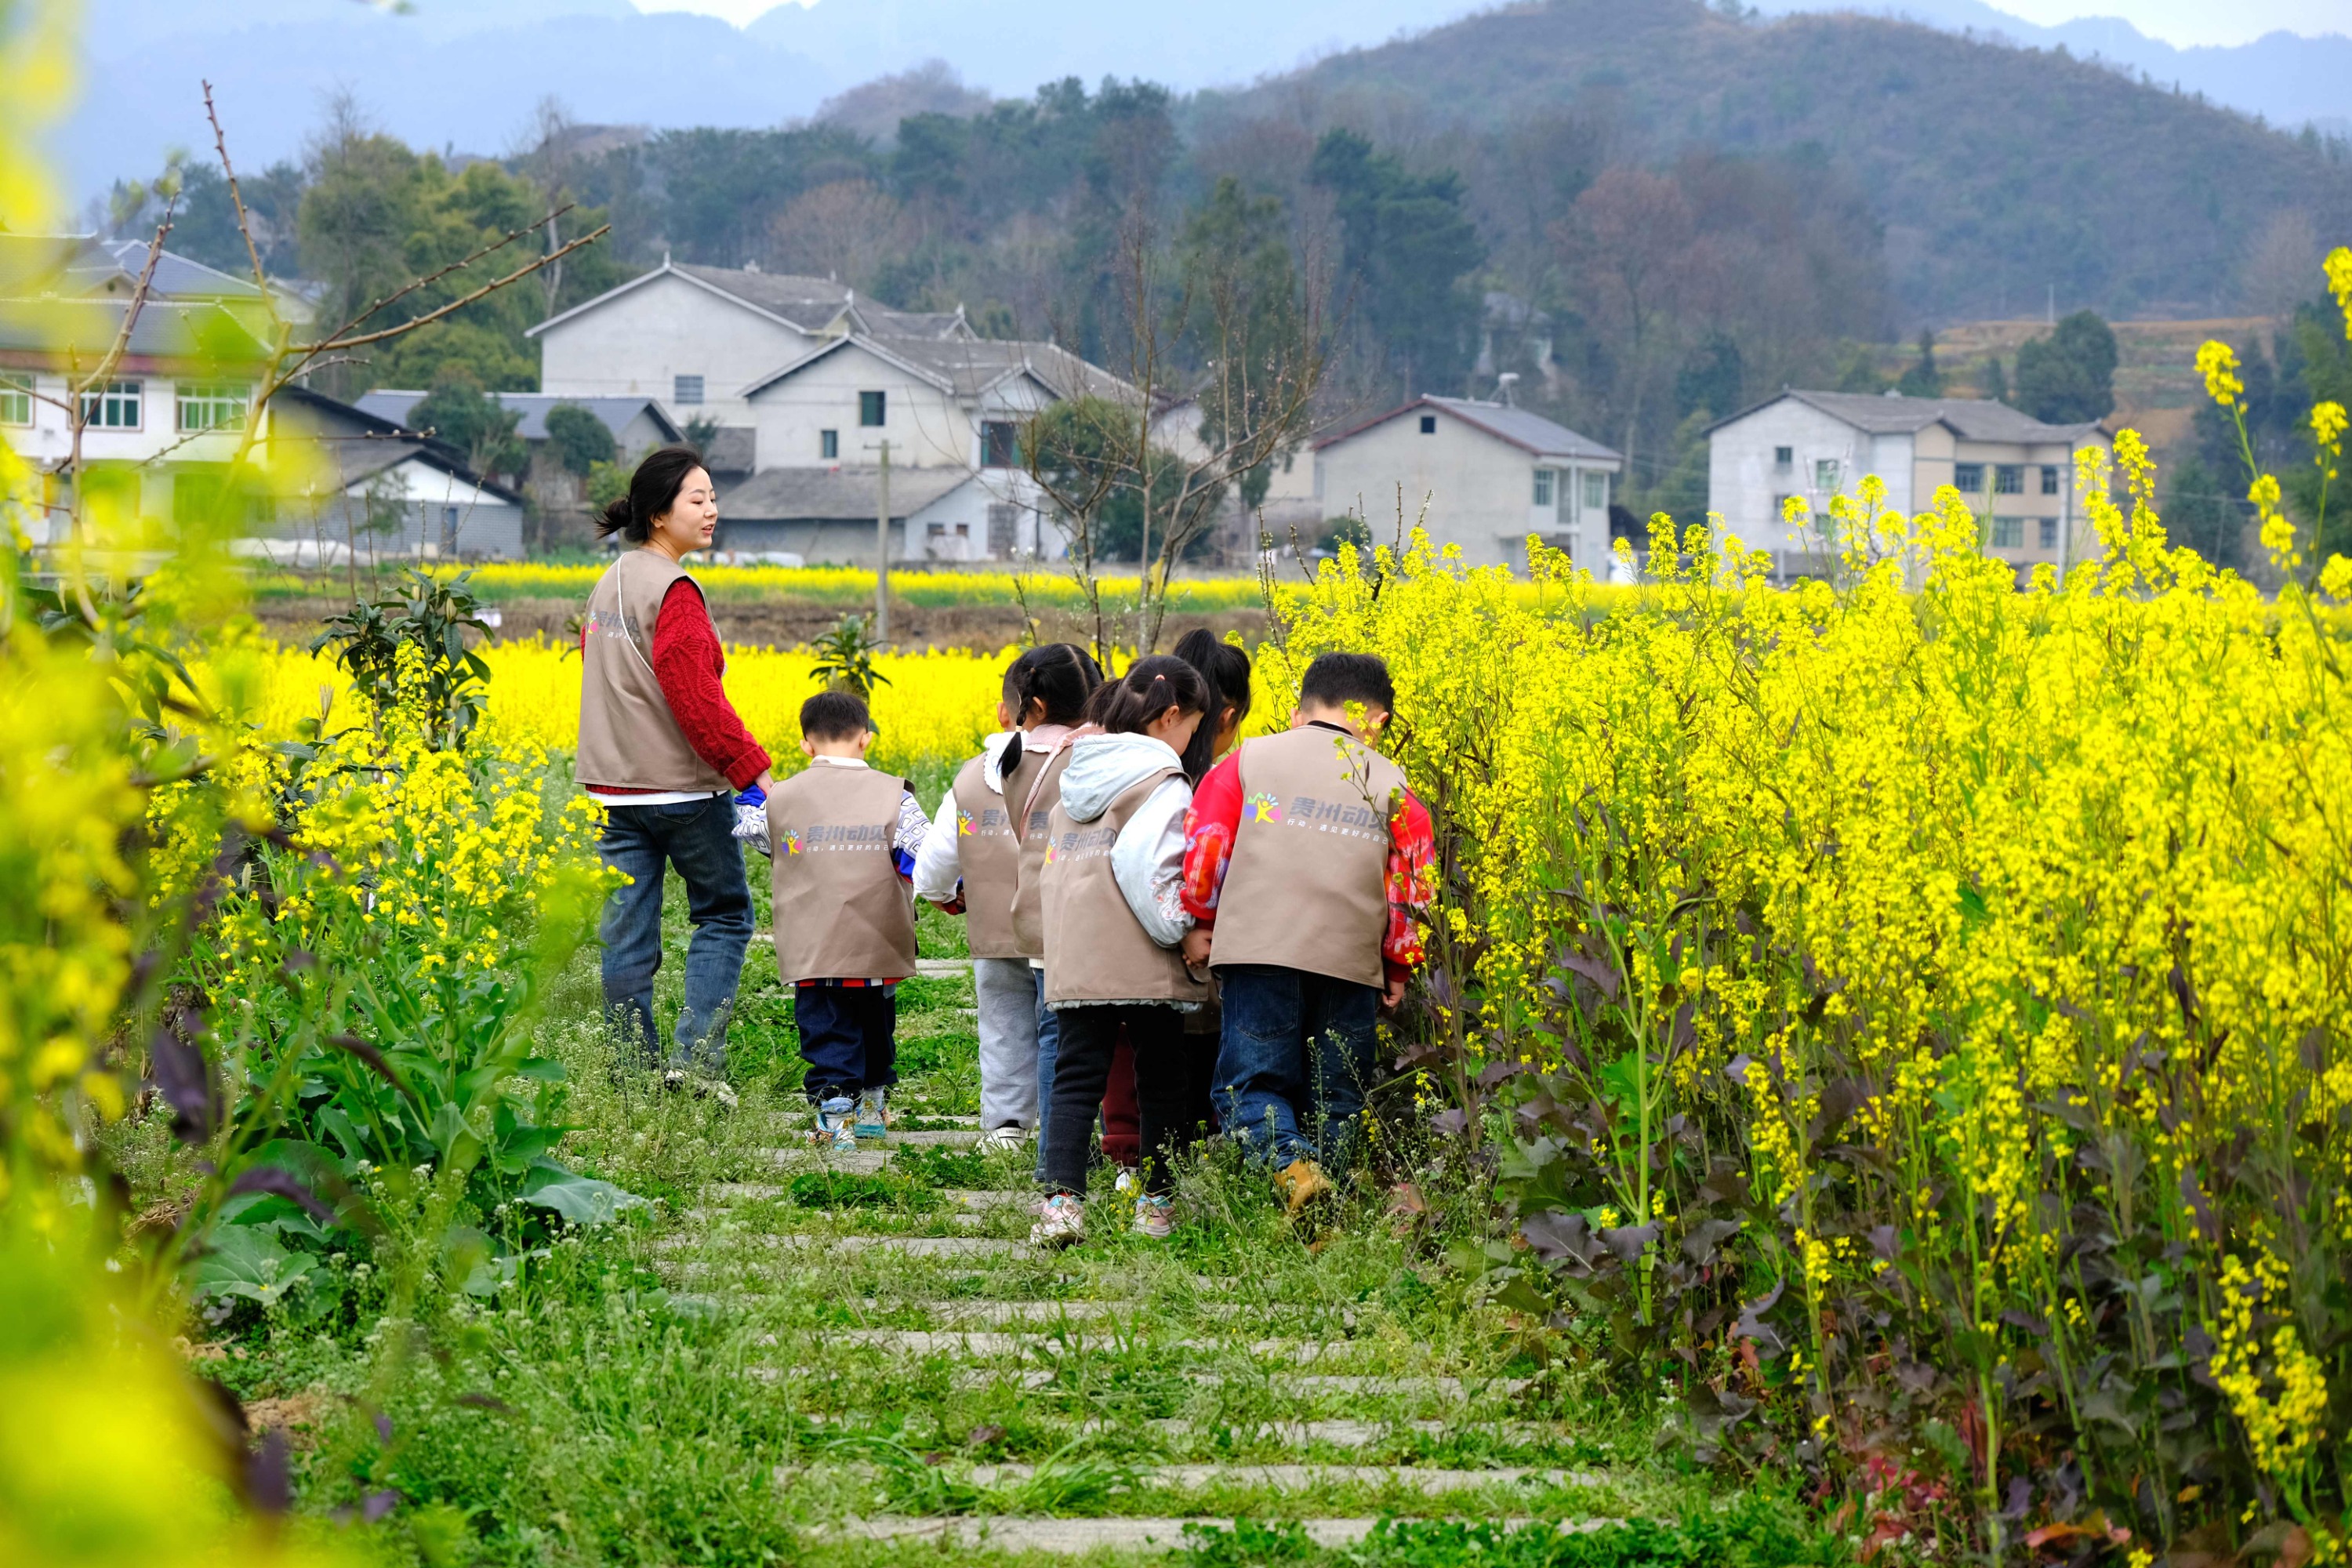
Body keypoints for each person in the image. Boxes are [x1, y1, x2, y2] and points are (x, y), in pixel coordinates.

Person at [1181, 652, 1436, 1219]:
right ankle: (1328, 1216)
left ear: (1298, 713)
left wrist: (1200, 921)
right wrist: (1399, 965)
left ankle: (1295, 1174)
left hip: (1258, 951)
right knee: (1337, 1098)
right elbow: (1412, 889)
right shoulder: (1393, 783)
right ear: (1379, 721)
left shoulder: (1248, 760)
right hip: (1350, 963)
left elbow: (1205, 849)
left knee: (1251, 1086)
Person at [577, 445, 769, 1100]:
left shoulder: (610, 583)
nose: (713, 510)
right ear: (659, 515)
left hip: (613, 789)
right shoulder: (676, 591)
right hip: (683, 791)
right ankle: (695, 1064)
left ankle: (630, 1076)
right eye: (698, 499)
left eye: (714, 497)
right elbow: (696, 701)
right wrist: (753, 773)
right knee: (724, 915)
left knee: (626, 934)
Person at [1031, 657, 1213, 1247]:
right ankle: (1154, 1204)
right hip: (1141, 954)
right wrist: (1180, 931)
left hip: (1079, 949)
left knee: (1076, 1074)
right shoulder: (1161, 780)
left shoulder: (1076, 779)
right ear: (1170, 718)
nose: (1191, 743)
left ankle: (1061, 1205)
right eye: (1192, 729)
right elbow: (1147, 864)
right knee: (1161, 1076)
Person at [913, 644, 1102, 1154]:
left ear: (1015, 708)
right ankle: (1067, 1135)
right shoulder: (1097, 765)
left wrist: (948, 897)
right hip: (1071, 932)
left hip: (995, 930)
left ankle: (1005, 1128)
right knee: (1063, 1034)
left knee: (1001, 1028)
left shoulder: (976, 774)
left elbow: (932, 871)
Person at [1090, 630, 1257, 1184]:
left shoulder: (1114, 765)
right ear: (1225, 717)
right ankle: (1182, 1162)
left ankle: (1129, 1159)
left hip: (1114, 954)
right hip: (1194, 953)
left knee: (1131, 1054)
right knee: (1192, 1055)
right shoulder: (1218, 783)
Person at [766, 689, 930, 1151]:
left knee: (825, 1025)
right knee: (876, 1020)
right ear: (866, 739)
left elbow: (762, 836)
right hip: (877, 939)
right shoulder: (893, 793)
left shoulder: (783, 797)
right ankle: (875, 1101)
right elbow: (924, 849)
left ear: (805, 745)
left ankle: (834, 1113)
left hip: (813, 944)